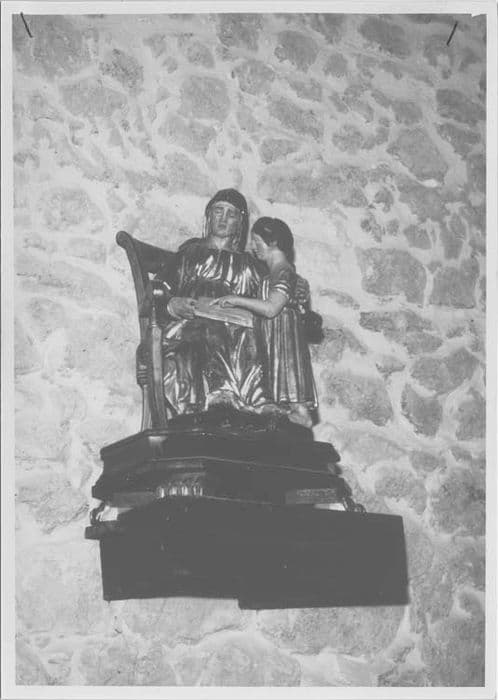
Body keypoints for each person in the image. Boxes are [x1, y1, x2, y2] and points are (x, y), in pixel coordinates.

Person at [211, 217, 318, 427]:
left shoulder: (282, 271)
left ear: (273, 242)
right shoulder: (274, 272)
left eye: (256, 241)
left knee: (288, 373)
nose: (253, 246)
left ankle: (300, 414)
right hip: (274, 330)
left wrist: (235, 299)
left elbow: (271, 308)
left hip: (283, 332)